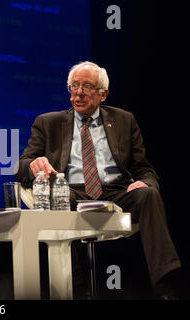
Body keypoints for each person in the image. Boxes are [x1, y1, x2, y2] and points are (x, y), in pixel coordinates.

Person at [15, 61, 182, 299]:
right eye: (74, 86)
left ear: (103, 94)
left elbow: (144, 169)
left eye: (87, 86)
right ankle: (75, 287)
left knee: (148, 194)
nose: (79, 92)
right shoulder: (48, 122)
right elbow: (20, 167)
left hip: (116, 191)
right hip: (72, 189)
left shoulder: (125, 120)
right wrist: (33, 166)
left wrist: (146, 183)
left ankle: (166, 287)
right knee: (62, 198)